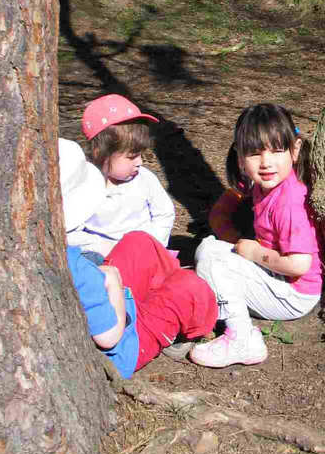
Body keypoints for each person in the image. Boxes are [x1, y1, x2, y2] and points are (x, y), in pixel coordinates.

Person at [60, 138, 218, 376]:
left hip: (116, 302)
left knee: (138, 240)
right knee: (190, 288)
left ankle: (163, 294)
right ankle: (191, 324)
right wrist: (113, 283)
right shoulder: (79, 272)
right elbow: (109, 338)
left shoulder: (67, 254)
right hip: (126, 341)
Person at [189, 103, 323, 368]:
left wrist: (254, 253)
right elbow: (232, 199)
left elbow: (299, 264)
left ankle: (241, 338)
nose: (266, 163)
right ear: (240, 157)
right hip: (278, 281)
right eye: (255, 154)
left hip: (294, 295)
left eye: (277, 151)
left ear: (294, 150)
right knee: (208, 249)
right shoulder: (263, 186)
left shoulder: (288, 202)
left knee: (214, 261)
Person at [67, 93, 176, 259]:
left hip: (145, 252)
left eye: (141, 155)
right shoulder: (84, 186)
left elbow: (164, 214)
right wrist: (101, 246)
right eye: (132, 156)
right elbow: (71, 231)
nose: (139, 162)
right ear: (100, 153)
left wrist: (151, 244)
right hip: (104, 256)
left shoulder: (144, 179)